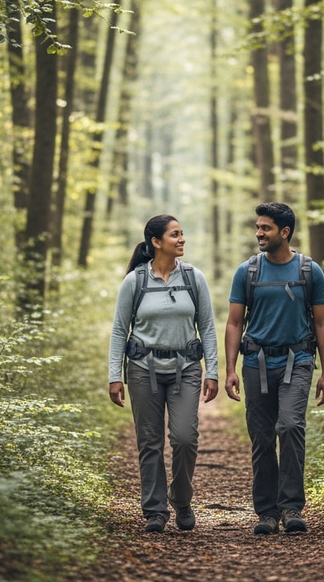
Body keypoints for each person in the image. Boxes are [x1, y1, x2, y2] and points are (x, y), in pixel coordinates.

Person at [224, 202, 324, 535]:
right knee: (261, 437)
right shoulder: (248, 272)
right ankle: (267, 512)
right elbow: (234, 322)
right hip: (256, 363)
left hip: (297, 361)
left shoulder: (308, 271)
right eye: (258, 227)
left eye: (265, 228)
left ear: (285, 232)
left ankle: (291, 506)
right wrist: (230, 369)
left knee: (289, 426)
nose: (259, 233)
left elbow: (322, 323)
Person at [108, 214, 219, 533]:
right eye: (175, 235)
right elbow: (119, 330)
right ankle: (155, 510)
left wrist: (212, 370)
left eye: (182, 234)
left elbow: (208, 327)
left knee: (185, 438)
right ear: (156, 242)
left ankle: (181, 499)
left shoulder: (194, 277)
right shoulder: (135, 281)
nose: (182, 239)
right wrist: (115, 375)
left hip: (186, 368)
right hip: (144, 370)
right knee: (149, 441)